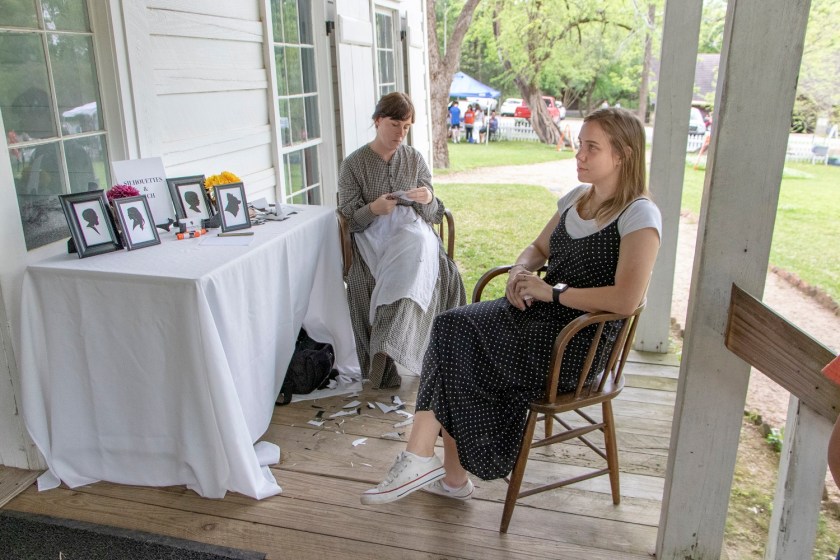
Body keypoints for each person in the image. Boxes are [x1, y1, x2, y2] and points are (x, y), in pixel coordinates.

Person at [360, 107, 662, 504]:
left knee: (458, 347)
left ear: (622, 155)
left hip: (577, 341)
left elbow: (626, 298)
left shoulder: (639, 214)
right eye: (579, 145)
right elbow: (539, 248)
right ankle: (432, 466)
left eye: (592, 148)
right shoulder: (575, 200)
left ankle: (440, 469)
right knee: (450, 326)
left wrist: (550, 292)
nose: (579, 155)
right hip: (539, 314)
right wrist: (521, 272)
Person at [338, 92, 466, 389]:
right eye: (395, 124)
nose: (400, 133)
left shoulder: (414, 159)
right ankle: (387, 350)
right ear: (377, 121)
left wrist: (428, 197)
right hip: (372, 237)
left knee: (420, 247)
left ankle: (388, 343)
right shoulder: (354, 165)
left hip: (412, 233)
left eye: (406, 127)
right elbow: (349, 220)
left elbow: (434, 215)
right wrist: (373, 209)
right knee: (377, 274)